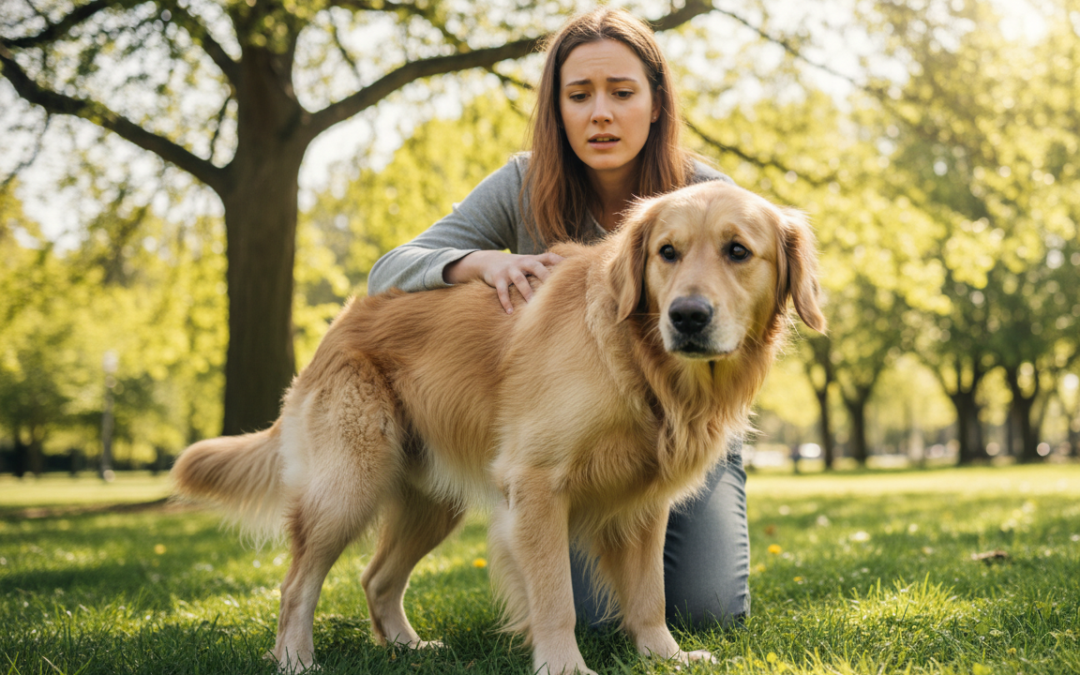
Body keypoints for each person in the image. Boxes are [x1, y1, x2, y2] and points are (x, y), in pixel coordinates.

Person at [367, 7, 749, 628]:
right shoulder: (522, 183)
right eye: (580, 95)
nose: (601, 112)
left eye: (622, 93)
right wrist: (479, 261)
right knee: (593, 617)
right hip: (574, 437)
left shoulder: (704, 193)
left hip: (687, 427)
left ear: (656, 104)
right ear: (558, 109)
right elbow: (390, 269)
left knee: (706, 611)